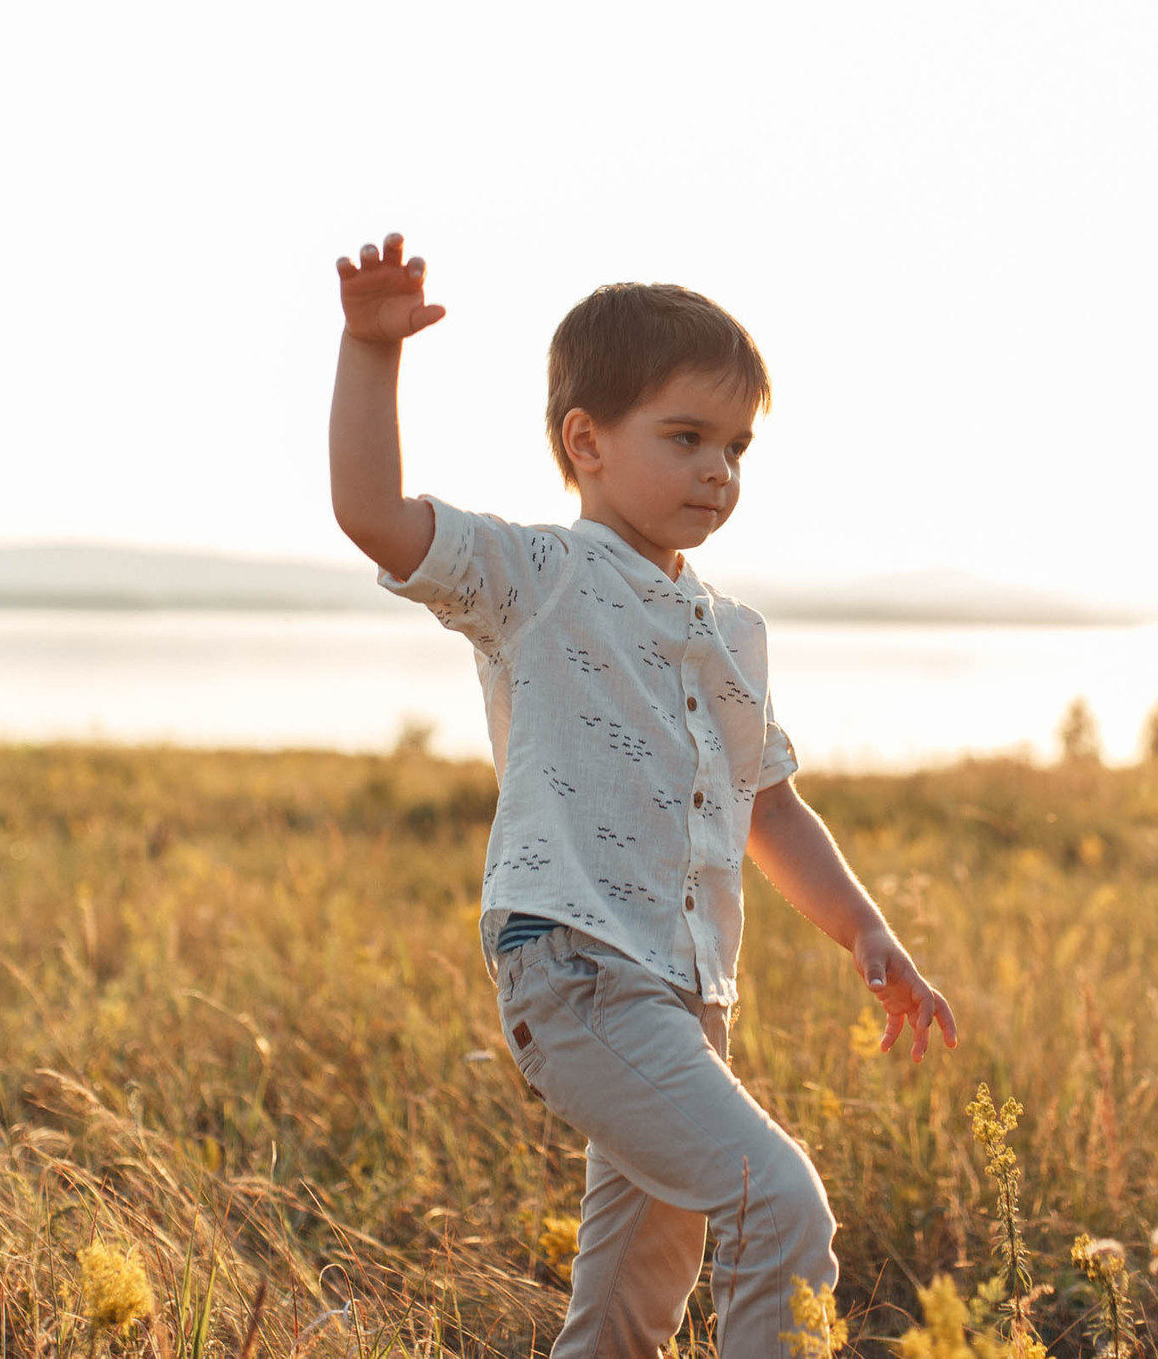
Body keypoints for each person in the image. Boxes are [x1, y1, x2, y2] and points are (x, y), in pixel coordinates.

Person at [327, 234, 958, 1359]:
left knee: (627, 1312)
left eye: (735, 446)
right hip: (573, 967)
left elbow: (770, 808)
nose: (718, 471)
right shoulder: (538, 577)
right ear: (587, 443)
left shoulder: (732, 631)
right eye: (685, 438)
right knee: (780, 1203)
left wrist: (867, 929)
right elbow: (375, 514)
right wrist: (371, 352)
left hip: (685, 997)